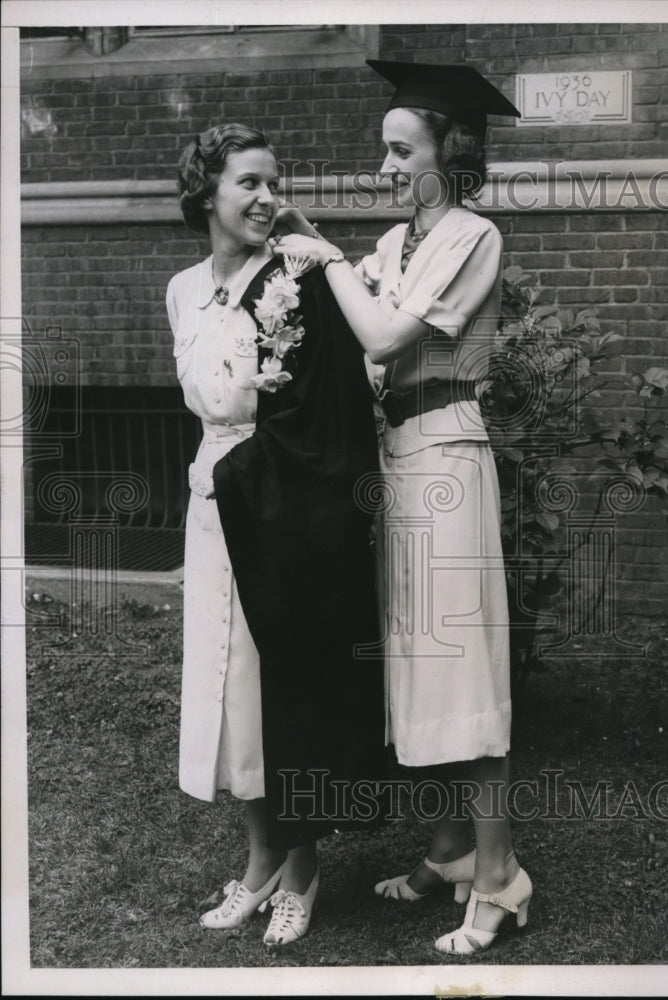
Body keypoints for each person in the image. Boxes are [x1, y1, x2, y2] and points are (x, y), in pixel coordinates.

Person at [270, 60, 532, 956]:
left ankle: (498, 879)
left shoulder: (471, 233)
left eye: (397, 149)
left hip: (448, 455)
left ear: (448, 154)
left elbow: (381, 336)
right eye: (381, 149)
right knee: (417, 664)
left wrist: (327, 255)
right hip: (398, 457)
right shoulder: (394, 243)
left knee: (462, 670)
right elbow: (357, 344)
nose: (381, 166)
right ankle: (451, 847)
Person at [166, 123, 385, 948]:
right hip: (211, 501)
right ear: (207, 193)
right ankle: (259, 860)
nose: (267, 199)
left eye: (272, 181)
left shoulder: (297, 278)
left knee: (285, 683)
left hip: (281, 503)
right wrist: (217, 478)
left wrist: (267, 485)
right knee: (231, 692)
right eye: (248, 183)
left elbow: (326, 414)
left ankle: (302, 872)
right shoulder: (182, 289)